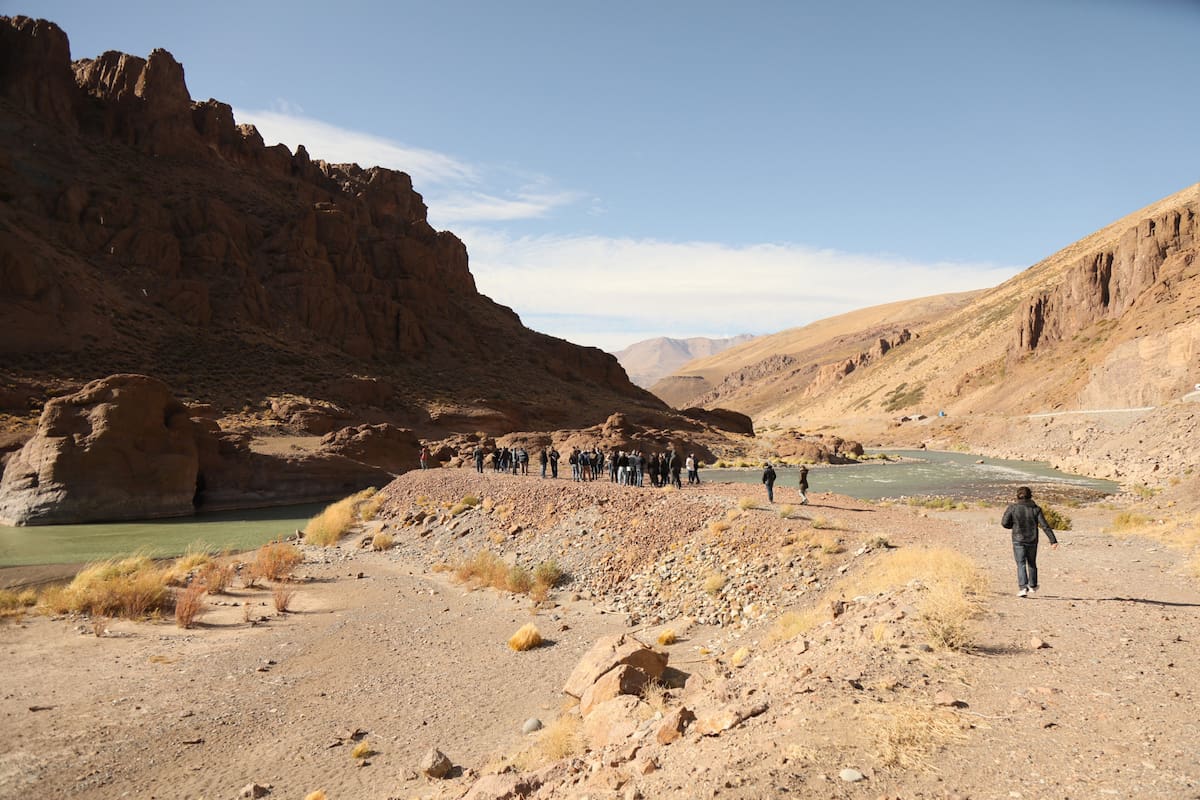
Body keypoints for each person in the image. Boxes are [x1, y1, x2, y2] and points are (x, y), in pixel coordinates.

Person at [1001, 486, 1059, 597]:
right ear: (1030, 496)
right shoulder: (1036, 509)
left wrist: (1013, 526)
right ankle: (1033, 585)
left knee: (1021, 563)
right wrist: (1053, 540)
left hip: (1018, 538)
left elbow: (1004, 523)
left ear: (1017, 496)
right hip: (1032, 539)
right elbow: (1044, 525)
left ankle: (1023, 588)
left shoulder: (1012, 508)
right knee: (1031, 563)